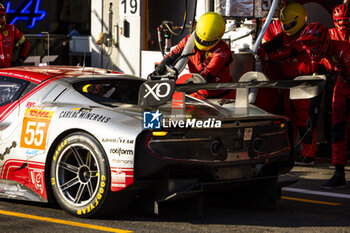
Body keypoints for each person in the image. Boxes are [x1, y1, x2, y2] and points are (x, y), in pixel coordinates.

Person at [258, 3, 320, 165]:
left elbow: (290, 51)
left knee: (305, 120)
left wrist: (268, 57)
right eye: (284, 24)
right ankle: (288, 151)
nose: (286, 27)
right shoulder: (285, 35)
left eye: (289, 24)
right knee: (288, 118)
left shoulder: (307, 34)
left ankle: (308, 155)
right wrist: (260, 49)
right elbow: (272, 44)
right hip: (288, 83)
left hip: (305, 82)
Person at [299, 22, 350, 189]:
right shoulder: (318, 59)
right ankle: (339, 173)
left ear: (324, 42)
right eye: (307, 47)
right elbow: (316, 84)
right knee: (337, 131)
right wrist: (312, 114)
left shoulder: (345, 51)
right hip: (342, 88)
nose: (310, 51)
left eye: (313, 47)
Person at [151, 12, 233, 99]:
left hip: (223, 97)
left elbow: (206, 76)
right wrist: (157, 73)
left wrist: (178, 87)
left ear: (217, 38)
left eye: (206, 41)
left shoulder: (222, 51)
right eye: (199, 37)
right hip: (198, 95)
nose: (201, 41)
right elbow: (172, 56)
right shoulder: (188, 40)